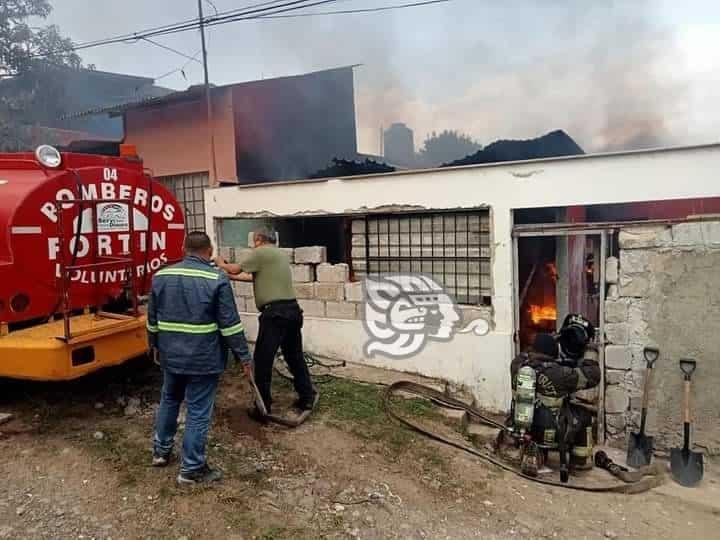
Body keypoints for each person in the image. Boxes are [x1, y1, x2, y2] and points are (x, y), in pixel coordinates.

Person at [147, 231, 252, 485]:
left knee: (169, 399)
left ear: (184, 248)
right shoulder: (216, 278)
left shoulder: (161, 276)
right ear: (210, 250)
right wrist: (244, 357)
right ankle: (191, 468)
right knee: (197, 411)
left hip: (171, 355)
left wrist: (154, 345)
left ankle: (161, 452)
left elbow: (152, 319)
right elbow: (229, 325)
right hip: (203, 358)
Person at [215, 227, 316, 419]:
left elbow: (236, 268)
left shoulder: (260, 252)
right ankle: (306, 397)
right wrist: (229, 274)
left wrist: (220, 262)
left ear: (259, 239)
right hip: (292, 311)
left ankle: (263, 408)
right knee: (294, 357)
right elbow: (248, 276)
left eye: (253, 240)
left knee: (262, 361)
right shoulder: (278, 254)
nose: (253, 244)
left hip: (275, 314)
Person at [509, 314, 600, 474]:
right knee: (584, 415)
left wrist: (550, 339)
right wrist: (590, 350)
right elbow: (593, 375)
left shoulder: (517, 365)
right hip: (552, 432)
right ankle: (580, 461)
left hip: (523, 428)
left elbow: (527, 353)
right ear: (553, 351)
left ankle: (535, 452)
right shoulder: (561, 375)